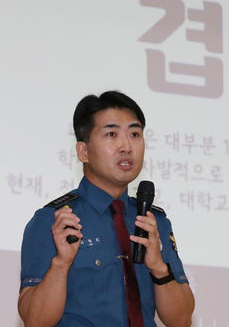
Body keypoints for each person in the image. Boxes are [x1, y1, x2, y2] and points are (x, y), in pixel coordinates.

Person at [18, 91, 195, 327]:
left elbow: (181, 320)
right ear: (83, 152)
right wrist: (61, 264)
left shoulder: (154, 222)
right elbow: (35, 321)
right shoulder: (54, 221)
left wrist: (159, 268)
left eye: (135, 134)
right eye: (112, 134)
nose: (126, 146)